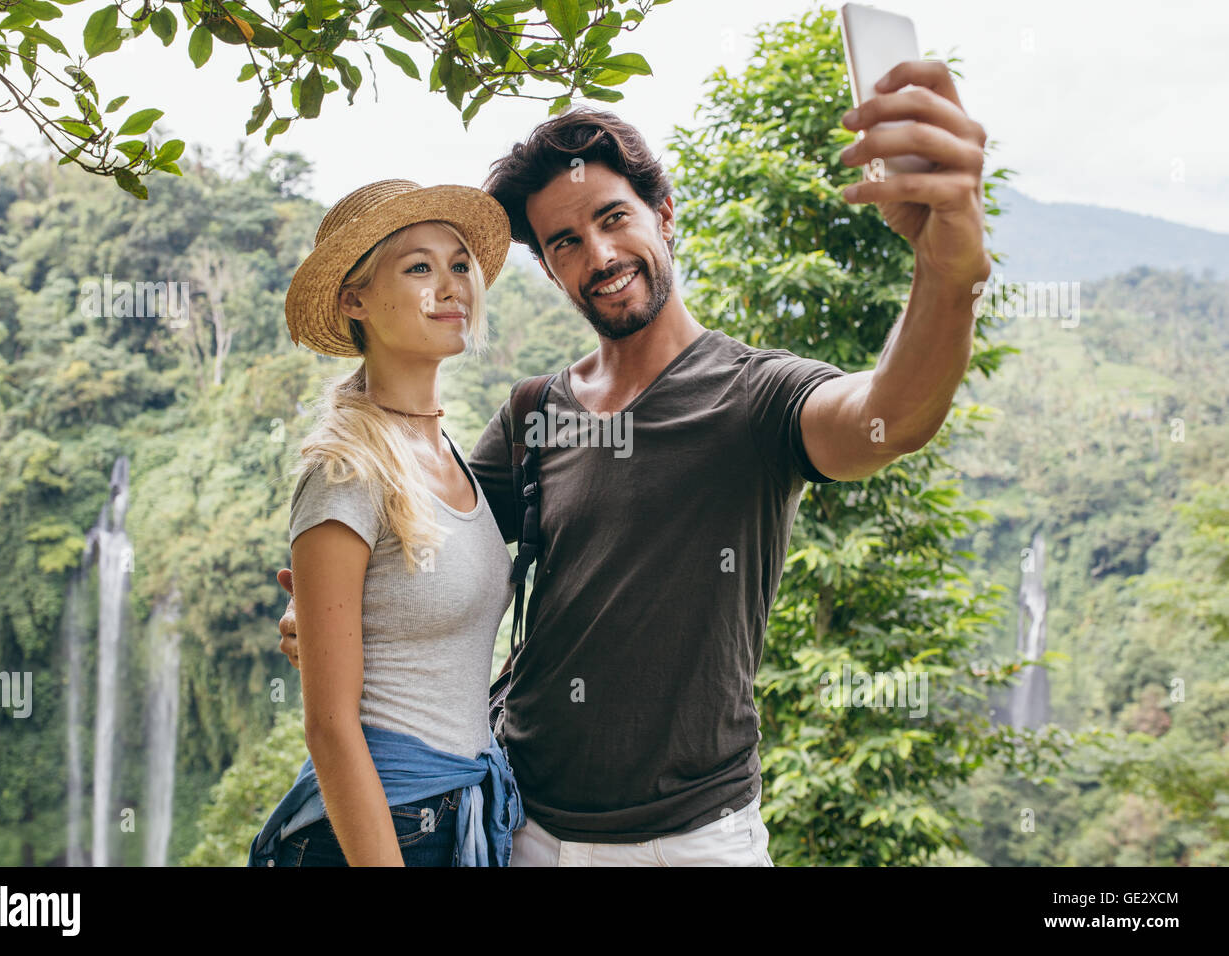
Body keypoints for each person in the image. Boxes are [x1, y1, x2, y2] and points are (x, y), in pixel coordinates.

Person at [277, 65, 991, 865]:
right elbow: (427, 543)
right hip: (523, 824)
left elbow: (889, 419)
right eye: (566, 242)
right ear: (549, 269)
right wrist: (338, 614)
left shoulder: (754, 397)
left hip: (693, 841)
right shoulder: (534, 412)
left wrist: (948, 271)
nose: (601, 253)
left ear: (665, 215)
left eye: (615, 218)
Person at [248, 180, 523, 867]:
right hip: (383, 828)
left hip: (456, 809)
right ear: (355, 299)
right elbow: (331, 727)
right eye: (419, 267)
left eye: (460, 265)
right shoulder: (346, 469)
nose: (451, 285)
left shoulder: (451, 456)